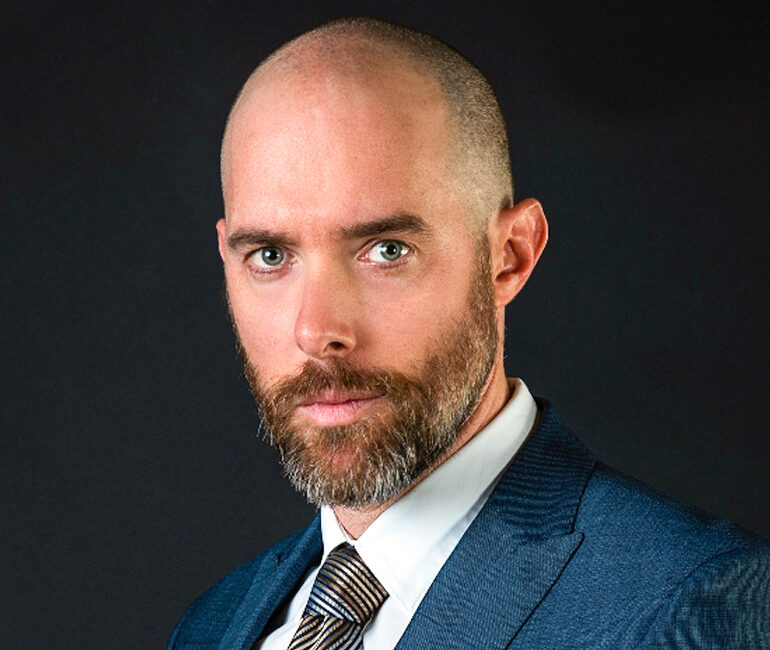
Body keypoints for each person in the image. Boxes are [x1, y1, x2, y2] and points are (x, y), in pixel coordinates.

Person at [168, 17, 770, 649]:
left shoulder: (702, 606)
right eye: (269, 256)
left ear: (509, 256)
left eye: (387, 250)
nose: (316, 331)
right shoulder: (212, 624)